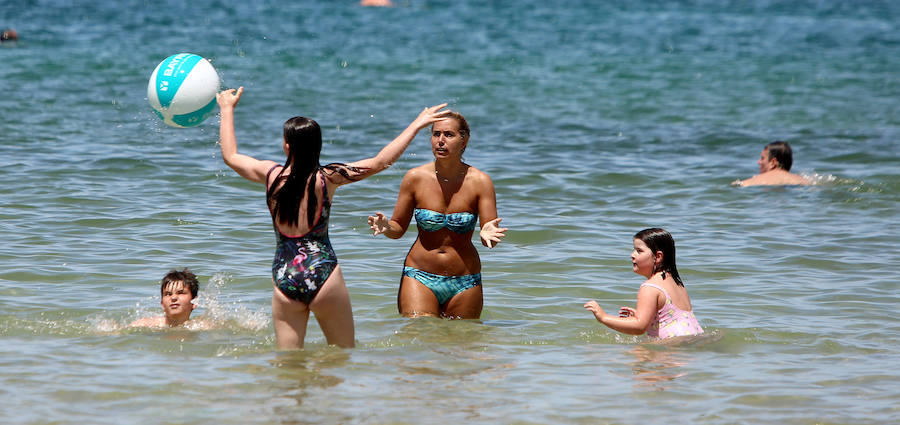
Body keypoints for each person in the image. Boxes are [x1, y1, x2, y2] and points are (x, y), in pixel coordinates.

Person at [216, 86, 450, 349]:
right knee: (342, 353)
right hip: (323, 271)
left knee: (288, 363)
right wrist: (417, 125)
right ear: (318, 146)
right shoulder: (328, 178)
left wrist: (227, 108)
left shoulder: (269, 174)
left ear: (286, 145)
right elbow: (381, 161)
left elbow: (231, 156)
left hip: (285, 274)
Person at [368, 110, 507, 319]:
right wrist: (387, 227)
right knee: (418, 335)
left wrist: (488, 233)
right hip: (419, 276)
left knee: (464, 342)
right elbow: (398, 228)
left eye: (448, 135)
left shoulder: (480, 182)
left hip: (465, 280)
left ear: (464, 140)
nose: (440, 141)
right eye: (435, 134)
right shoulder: (415, 178)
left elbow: (490, 237)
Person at [584, 228, 703, 339]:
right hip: (693, 339)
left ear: (658, 256)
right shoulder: (677, 283)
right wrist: (649, 317)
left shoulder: (650, 287)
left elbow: (639, 327)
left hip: (672, 346)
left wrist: (603, 317)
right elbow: (672, 317)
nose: (632, 255)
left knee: (636, 355)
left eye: (639, 251)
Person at [130, 268, 204, 328]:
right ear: (162, 303)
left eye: (180, 293)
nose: (173, 298)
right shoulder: (144, 325)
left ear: (195, 302)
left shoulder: (202, 327)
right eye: (168, 294)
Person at [735, 140, 809, 187]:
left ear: (773, 162)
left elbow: (738, 186)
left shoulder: (756, 180)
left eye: (762, 158)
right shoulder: (803, 181)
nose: (759, 162)